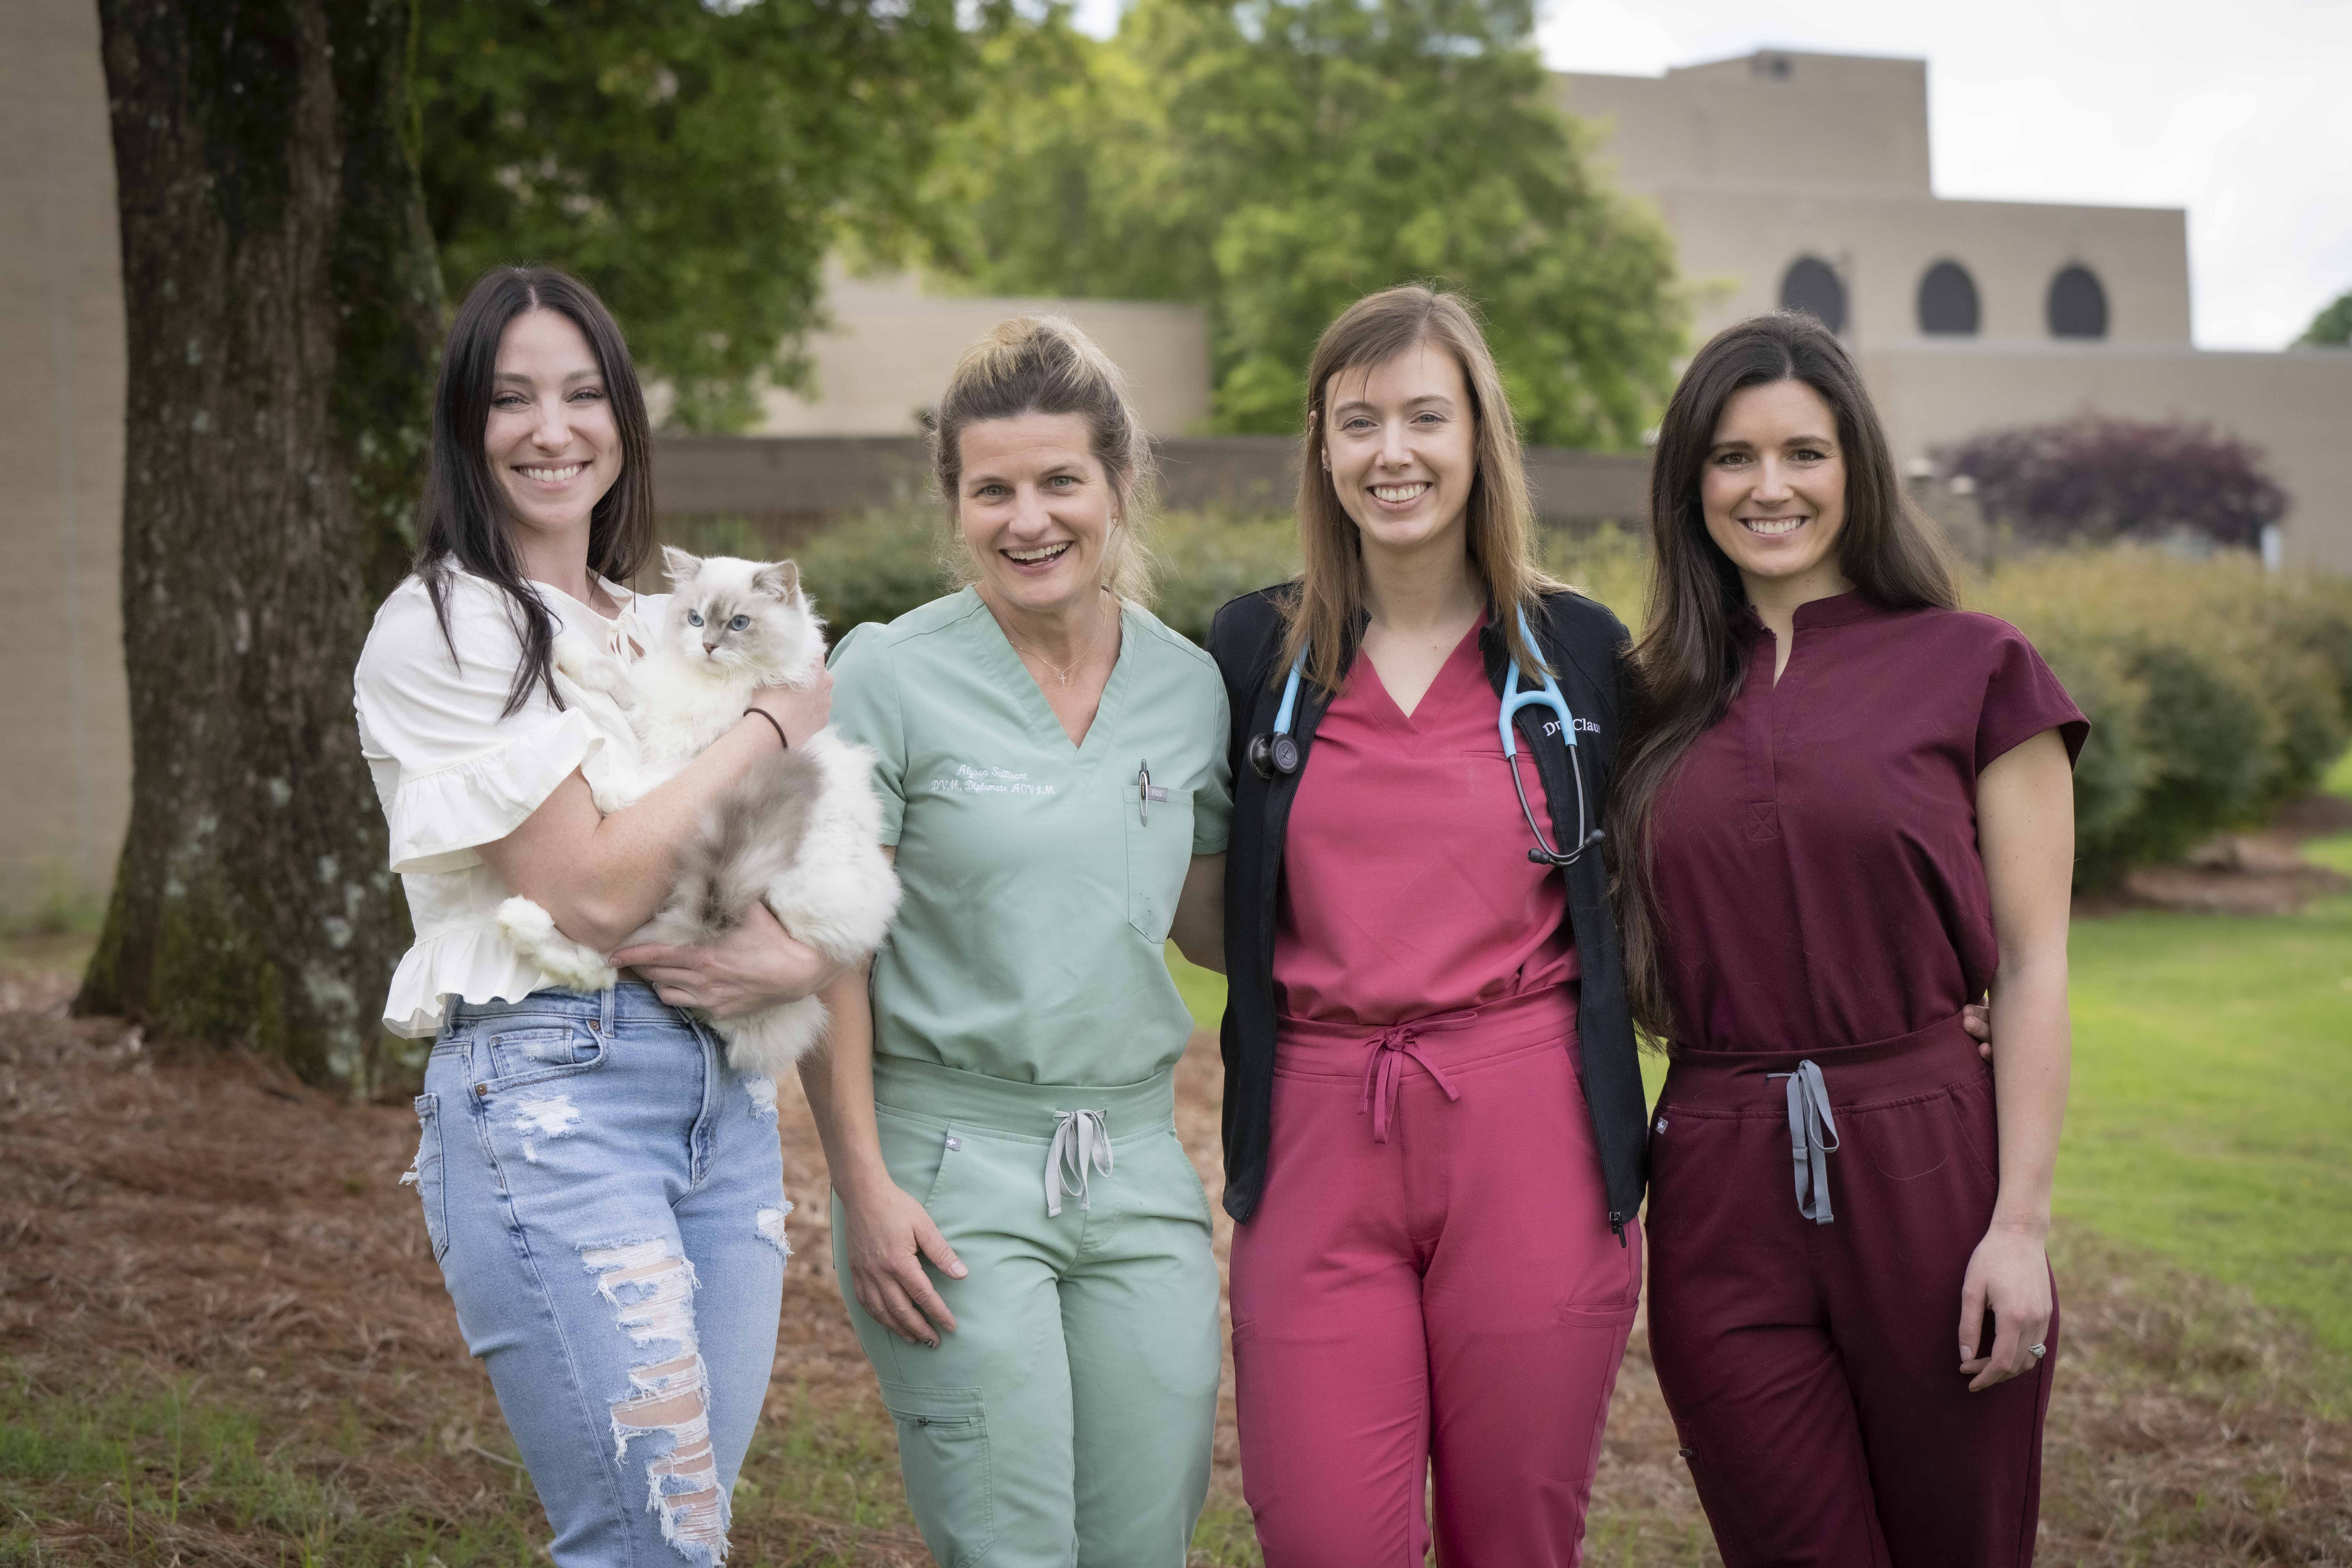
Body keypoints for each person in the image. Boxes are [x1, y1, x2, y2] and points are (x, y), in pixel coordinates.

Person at [356, 266, 835, 1567]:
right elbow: (593, 888)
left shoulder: (662, 627)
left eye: (582, 393)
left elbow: (769, 863)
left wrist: (797, 953)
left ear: (622, 417)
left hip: (725, 1113)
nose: (551, 428)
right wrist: (774, 721)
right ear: (466, 425)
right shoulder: (444, 628)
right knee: (651, 1541)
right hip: (553, 1098)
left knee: (681, 1537)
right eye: (511, 398)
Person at [1615, 311, 2080, 1567]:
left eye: (1804, 453)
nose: (1769, 487)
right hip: (1715, 1176)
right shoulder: (1646, 700)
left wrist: (2020, 1229)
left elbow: (2035, 965)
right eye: (1731, 456)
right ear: (1688, 483)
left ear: (1856, 468)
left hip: (1928, 1160)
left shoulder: (1978, 669)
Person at [1202, 285, 1651, 1566]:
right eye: (1359, 422)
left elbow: (1694, 858)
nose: (1391, 452)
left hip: (1533, 1134)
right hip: (1314, 1128)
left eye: (1424, 417)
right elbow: (1173, 876)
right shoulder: (1252, 651)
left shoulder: (1577, 651)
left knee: (1515, 1538)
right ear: (1322, 448)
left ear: (1479, 437)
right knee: (1326, 1535)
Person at [802, 316, 1232, 1567]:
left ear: (1118, 486)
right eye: (993, 490)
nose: (1028, 518)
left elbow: (1212, 926)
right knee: (1015, 1548)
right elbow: (834, 953)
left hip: (1139, 1169)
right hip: (947, 1169)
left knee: (1143, 1544)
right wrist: (864, 1187)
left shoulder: (1187, 687)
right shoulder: (889, 675)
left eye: (1060, 482)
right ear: (957, 504)